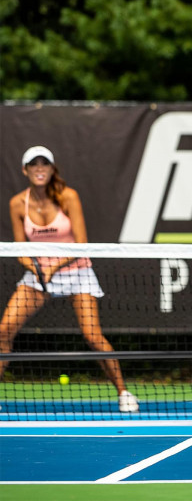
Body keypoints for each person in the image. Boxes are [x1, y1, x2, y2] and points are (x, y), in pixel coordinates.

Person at [0, 146, 139, 413]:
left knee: (92, 335)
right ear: (25, 170)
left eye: (44, 164)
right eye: (34, 164)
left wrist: (54, 267)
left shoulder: (68, 197)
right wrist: (38, 268)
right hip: (40, 275)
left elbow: (81, 243)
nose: (39, 169)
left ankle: (123, 392)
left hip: (77, 271)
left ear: (52, 170)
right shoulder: (18, 203)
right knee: (4, 330)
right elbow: (19, 250)